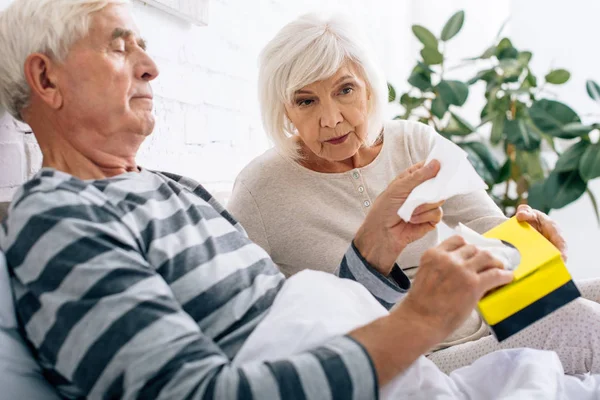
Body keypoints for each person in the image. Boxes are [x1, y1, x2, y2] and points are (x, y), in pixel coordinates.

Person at [0, 1, 523, 398]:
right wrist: (420, 321)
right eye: (120, 47)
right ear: (47, 78)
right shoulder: (62, 220)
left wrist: (372, 254)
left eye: (345, 90)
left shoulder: (171, 188)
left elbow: (295, 323)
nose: (151, 66)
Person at [227, 13, 600, 373]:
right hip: (415, 360)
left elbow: (492, 230)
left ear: (369, 87)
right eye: (306, 101)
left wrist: (529, 238)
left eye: (345, 90)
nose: (331, 118)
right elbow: (246, 323)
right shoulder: (259, 189)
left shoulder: (414, 142)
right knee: (577, 324)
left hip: (484, 316)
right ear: (285, 111)